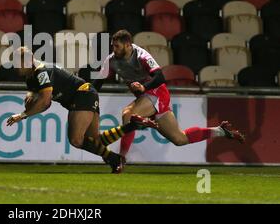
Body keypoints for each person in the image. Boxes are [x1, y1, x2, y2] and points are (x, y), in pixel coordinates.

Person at [93, 29, 245, 173]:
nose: (114, 49)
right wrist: (88, 96)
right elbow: (98, 82)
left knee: (128, 114)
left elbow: (160, 77)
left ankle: (121, 158)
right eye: (113, 46)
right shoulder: (111, 60)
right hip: (145, 99)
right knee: (180, 139)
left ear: (127, 44)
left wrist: (143, 87)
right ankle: (220, 131)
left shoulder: (141, 55)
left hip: (158, 94)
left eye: (117, 46)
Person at [6, 47, 157, 172]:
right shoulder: (32, 74)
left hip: (82, 94)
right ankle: (133, 126)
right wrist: (30, 94)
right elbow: (35, 92)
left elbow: (45, 102)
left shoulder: (41, 72)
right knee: (95, 141)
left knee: (76, 140)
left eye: (16, 63)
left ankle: (115, 158)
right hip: (87, 92)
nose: (14, 67)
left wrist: (23, 114)